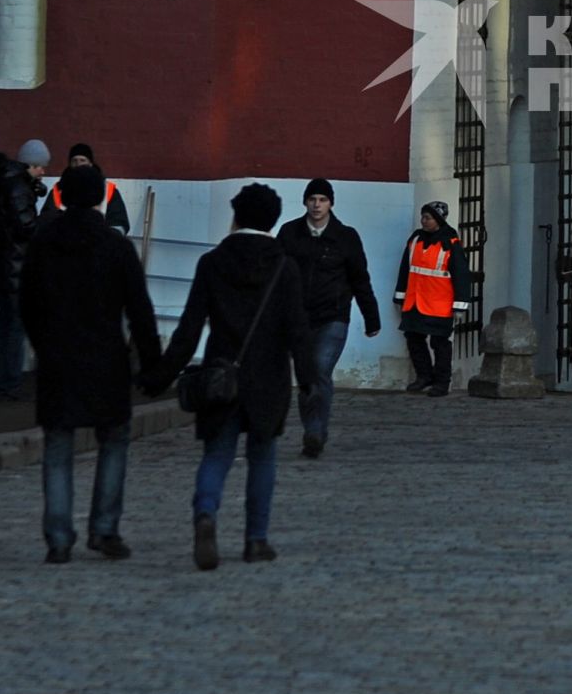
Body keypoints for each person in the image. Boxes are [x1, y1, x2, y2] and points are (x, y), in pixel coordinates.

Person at [140, 183, 316, 570]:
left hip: (222, 374)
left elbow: (189, 328)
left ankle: (205, 513)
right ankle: (256, 540)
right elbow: (297, 329)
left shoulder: (212, 262)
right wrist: (308, 379)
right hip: (268, 378)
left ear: (236, 217)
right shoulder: (284, 266)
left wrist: (159, 376)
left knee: (217, 454)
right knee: (262, 458)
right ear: (272, 221)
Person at [19, 164, 163, 563]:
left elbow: (27, 302)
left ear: (62, 195)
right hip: (106, 359)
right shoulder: (115, 246)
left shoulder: (45, 241)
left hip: (58, 358)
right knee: (114, 444)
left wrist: (42, 345)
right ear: (101, 197)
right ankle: (104, 529)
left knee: (59, 447)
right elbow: (139, 309)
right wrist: (152, 364)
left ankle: (59, 537)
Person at [278, 178, 381, 457]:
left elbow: (360, 279)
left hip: (333, 316)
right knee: (306, 376)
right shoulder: (289, 234)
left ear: (331, 203)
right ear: (305, 202)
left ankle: (315, 429)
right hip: (298, 317)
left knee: (319, 368)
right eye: (312, 199)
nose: (316, 205)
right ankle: (313, 429)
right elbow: (275, 276)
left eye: (322, 199)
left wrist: (372, 318)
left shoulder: (346, 237)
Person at [0, 139, 50, 401]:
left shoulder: (0, 182)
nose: (43, 172)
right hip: (17, 267)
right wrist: (48, 221)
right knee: (15, 329)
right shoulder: (18, 188)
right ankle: (9, 383)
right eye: (41, 167)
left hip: (3, 264)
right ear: (31, 165)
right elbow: (26, 227)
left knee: (6, 327)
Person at [392, 201, 470, 397]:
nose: (424, 221)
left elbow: (461, 274)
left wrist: (460, 305)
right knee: (413, 338)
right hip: (415, 300)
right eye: (423, 217)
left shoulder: (450, 243)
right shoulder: (416, 239)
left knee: (440, 343)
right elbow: (405, 269)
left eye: (428, 217)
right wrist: (400, 296)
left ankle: (442, 382)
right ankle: (424, 376)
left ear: (439, 220)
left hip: (439, 303)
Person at [40, 143, 129, 233]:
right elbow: (46, 220)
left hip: (99, 243)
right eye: (74, 160)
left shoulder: (109, 191)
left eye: (82, 160)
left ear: (90, 164)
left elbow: (119, 223)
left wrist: (106, 239)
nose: (78, 164)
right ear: (70, 164)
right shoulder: (58, 190)